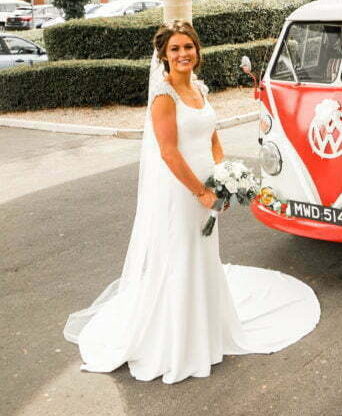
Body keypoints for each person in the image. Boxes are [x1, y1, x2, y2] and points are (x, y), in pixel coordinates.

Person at [64, 21, 320, 383]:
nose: (183, 54)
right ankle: (177, 341)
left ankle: (206, 330)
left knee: (202, 253)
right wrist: (200, 192)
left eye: (188, 47)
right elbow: (169, 153)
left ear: (197, 52)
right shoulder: (163, 97)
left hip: (209, 184)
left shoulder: (198, 89)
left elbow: (213, 137)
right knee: (179, 255)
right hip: (180, 190)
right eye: (175, 49)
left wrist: (224, 177)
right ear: (164, 56)